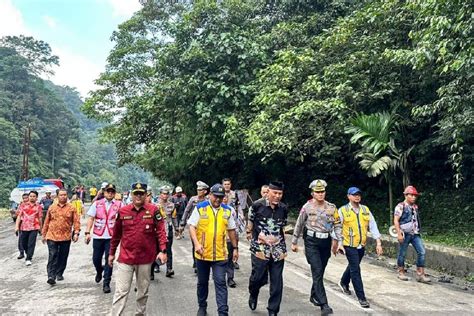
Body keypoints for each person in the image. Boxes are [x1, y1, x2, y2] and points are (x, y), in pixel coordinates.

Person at [109, 182, 168, 316]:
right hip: (126, 258)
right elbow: (116, 235)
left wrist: (163, 251)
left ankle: (140, 314)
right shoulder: (123, 212)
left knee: (142, 292)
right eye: (136, 193)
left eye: (141, 193)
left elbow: (161, 232)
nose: (138, 196)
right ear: (131, 194)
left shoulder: (153, 210)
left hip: (145, 259)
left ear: (146, 195)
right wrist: (111, 253)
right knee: (121, 291)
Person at [291, 180, 341, 315]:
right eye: (317, 192)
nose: (320, 194)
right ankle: (324, 304)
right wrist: (294, 241)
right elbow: (299, 224)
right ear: (313, 193)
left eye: (322, 191)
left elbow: (337, 224)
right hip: (311, 242)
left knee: (320, 271)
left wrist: (338, 242)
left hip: (325, 242)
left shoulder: (332, 207)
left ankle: (314, 294)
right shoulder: (307, 207)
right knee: (317, 269)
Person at [188, 184, 239, 316]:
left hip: (220, 255)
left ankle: (223, 312)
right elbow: (192, 226)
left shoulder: (227, 211)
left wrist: (235, 248)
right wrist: (197, 244)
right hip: (202, 254)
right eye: (216, 196)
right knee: (202, 283)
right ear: (210, 194)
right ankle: (202, 306)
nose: (218, 199)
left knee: (221, 283)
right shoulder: (200, 208)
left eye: (221, 197)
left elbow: (232, 230)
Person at [335, 187, 383, 308]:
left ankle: (343, 282)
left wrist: (378, 243)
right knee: (356, 270)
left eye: (358, 194)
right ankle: (361, 297)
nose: (357, 196)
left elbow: (373, 226)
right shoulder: (343, 210)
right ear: (348, 196)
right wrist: (337, 243)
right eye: (354, 195)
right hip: (348, 245)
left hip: (361, 245)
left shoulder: (365, 210)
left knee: (353, 266)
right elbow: (336, 227)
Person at [247, 181, 288, 316]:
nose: (277, 196)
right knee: (258, 277)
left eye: (280, 193)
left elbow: (284, 226)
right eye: (275, 193)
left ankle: (273, 310)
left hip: (278, 248)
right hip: (260, 247)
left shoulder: (283, 208)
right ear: (268, 192)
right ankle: (253, 293)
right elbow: (251, 222)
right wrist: (252, 235)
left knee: (277, 280)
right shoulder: (257, 205)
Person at [84, 183, 122, 294]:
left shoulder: (119, 204)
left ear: (114, 193)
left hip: (112, 236)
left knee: (109, 259)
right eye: (108, 191)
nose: (110, 193)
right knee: (96, 258)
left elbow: (124, 220)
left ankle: (106, 282)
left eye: (112, 192)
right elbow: (91, 218)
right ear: (104, 192)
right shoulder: (97, 204)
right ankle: (99, 270)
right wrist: (87, 232)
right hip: (98, 235)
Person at [42, 189, 81, 285]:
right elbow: (46, 221)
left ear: (67, 196)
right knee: (53, 254)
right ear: (57, 196)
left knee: (63, 256)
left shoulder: (72, 208)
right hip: (52, 235)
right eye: (61, 195)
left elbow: (76, 221)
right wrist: (44, 234)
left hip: (65, 236)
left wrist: (76, 233)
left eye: (65, 195)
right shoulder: (52, 208)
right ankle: (51, 276)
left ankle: (59, 273)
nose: (63, 197)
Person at [394, 185, 431, 283]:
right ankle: (401, 272)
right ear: (406, 195)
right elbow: (396, 220)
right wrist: (399, 234)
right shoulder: (400, 206)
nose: (414, 197)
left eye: (415, 195)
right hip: (405, 233)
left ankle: (420, 274)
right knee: (402, 253)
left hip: (415, 233)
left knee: (421, 252)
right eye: (411, 195)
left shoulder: (415, 207)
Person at [180, 181, 209, 273]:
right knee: (195, 244)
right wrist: (182, 223)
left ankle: (204, 260)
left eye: (201, 190)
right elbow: (186, 211)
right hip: (194, 226)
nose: (199, 191)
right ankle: (196, 262)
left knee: (204, 243)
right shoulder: (193, 199)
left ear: (205, 191)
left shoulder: (208, 200)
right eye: (198, 190)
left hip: (205, 226)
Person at [15, 190, 43, 266]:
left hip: (34, 227)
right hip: (24, 227)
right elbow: (19, 216)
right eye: (31, 196)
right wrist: (17, 226)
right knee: (23, 243)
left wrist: (41, 228)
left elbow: (40, 218)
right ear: (28, 197)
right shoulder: (23, 205)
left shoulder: (38, 207)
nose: (32, 198)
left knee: (31, 243)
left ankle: (28, 258)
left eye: (34, 196)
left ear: (36, 198)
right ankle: (28, 253)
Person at [157, 186, 177, 278]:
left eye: (166, 194)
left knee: (168, 250)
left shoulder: (172, 205)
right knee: (156, 249)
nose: (165, 195)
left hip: (168, 229)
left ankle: (169, 268)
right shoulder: (155, 205)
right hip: (157, 230)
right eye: (163, 193)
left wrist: (176, 228)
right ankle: (155, 266)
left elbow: (174, 217)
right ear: (160, 194)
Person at [223, 194, 239, 288]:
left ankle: (230, 278)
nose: (224, 199)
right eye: (222, 197)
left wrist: (236, 243)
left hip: (229, 238)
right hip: (218, 239)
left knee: (229, 259)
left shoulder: (230, 210)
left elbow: (234, 226)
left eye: (225, 197)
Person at [15, 193, 29, 259]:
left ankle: (28, 253)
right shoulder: (21, 205)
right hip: (21, 224)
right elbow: (17, 214)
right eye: (24, 198)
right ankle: (21, 252)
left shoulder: (32, 205)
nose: (25, 199)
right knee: (21, 239)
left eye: (26, 198)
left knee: (28, 240)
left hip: (29, 225)